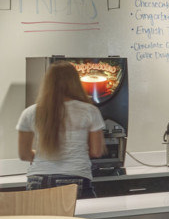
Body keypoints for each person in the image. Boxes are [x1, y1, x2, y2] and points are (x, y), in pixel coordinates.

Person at [16, 62, 104, 199]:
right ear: (75, 82)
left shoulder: (29, 112)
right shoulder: (89, 111)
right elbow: (96, 151)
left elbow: (24, 155)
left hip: (38, 179)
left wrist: (43, 154)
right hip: (75, 177)